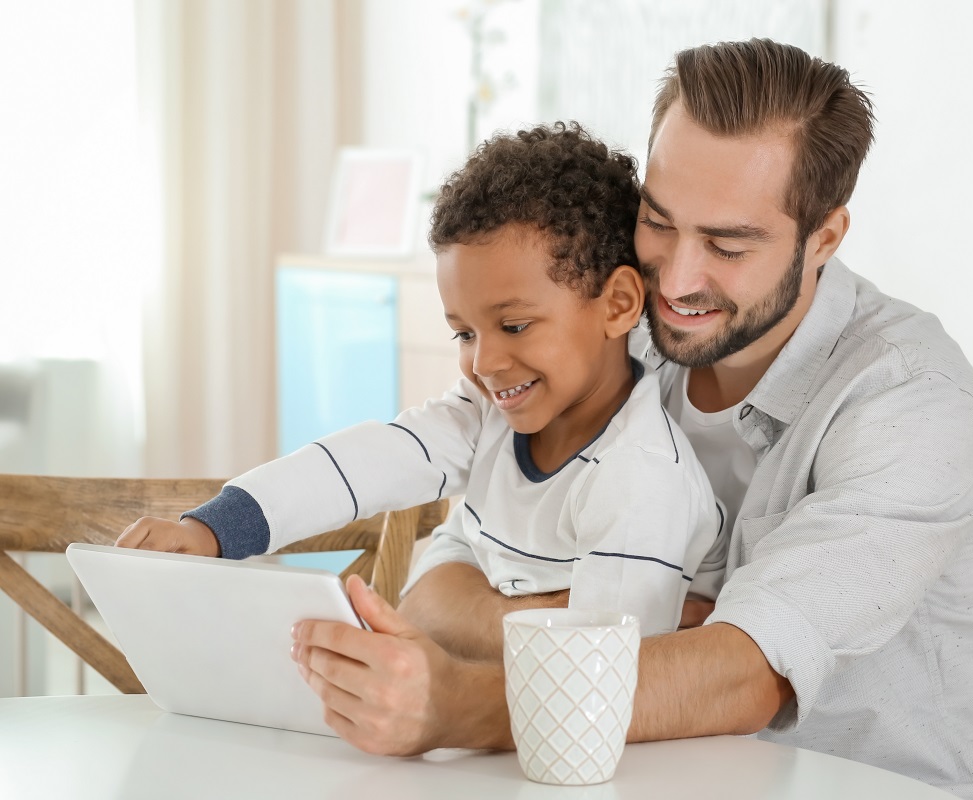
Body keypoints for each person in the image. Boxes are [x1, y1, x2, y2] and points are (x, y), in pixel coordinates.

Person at [285, 39, 973, 800]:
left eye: (728, 243)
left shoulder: (913, 406)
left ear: (824, 239)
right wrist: (621, 625)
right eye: (659, 222)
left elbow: (740, 677)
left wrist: (460, 703)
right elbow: (442, 581)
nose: (675, 277)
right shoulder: (624, 326)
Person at [117, 122, 727, 641]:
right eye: (464, 333)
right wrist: (212, 529)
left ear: (618, 303)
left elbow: (599, 674)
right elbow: (361, 464)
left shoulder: (640, 477)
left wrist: (451, 631)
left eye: (513, 325)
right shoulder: (489, 414)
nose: (484, 363)